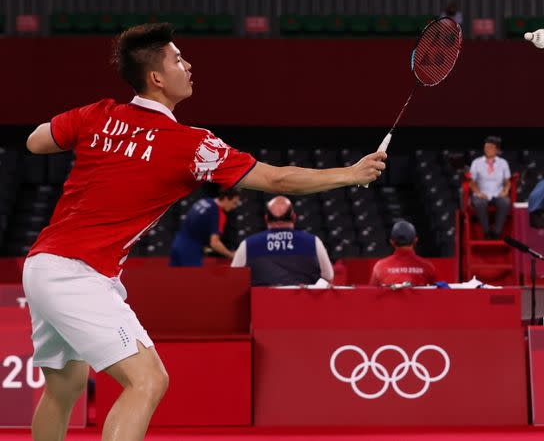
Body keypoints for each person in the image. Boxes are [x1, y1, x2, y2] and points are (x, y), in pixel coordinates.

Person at [22, 23, 385, 441]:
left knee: (63, 387)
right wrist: (350, 173)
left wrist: (102, 139)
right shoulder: (192, 146)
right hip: (78, 274)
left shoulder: (97, 114)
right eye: (178, 58)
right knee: (148, 381)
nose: (188, 64)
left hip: (41, 265)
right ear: (156, 77)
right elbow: (278, 180)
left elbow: (36, 142)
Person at [230, 195, 333, 286]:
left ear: (266, 218)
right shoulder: (313, 242)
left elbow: (234, 279)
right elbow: (328, 277)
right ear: (294, 217)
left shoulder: (248, 245)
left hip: (261, 305)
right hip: (303, 305)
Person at [169, 188, 240, 266]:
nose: (234, 207)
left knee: (175, 277)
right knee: (191, 278)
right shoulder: (218, 214)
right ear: (226, 199)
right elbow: (215, 243)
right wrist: (230, 254)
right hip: (191, 251)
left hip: (177, 244)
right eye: (234, 203)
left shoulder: (203, 201)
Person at [369, 220, 437, 287]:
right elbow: (437, 294)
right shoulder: (427, 266)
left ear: (391, 242)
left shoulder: (380, 267)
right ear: (415, 241)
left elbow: (371, 294)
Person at [469, 136, 511, 239]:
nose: (487, 149)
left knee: (505, 202)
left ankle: (497, 232)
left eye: (490, 147)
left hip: (497, 193)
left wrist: (505, 191)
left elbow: (507, 182)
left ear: (496, 149)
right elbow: (472, 182)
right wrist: (478, 193)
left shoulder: (503, 163)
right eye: (486, 147)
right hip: (481, 194)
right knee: (480, 203)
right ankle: (487, 232)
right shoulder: (476, 162)